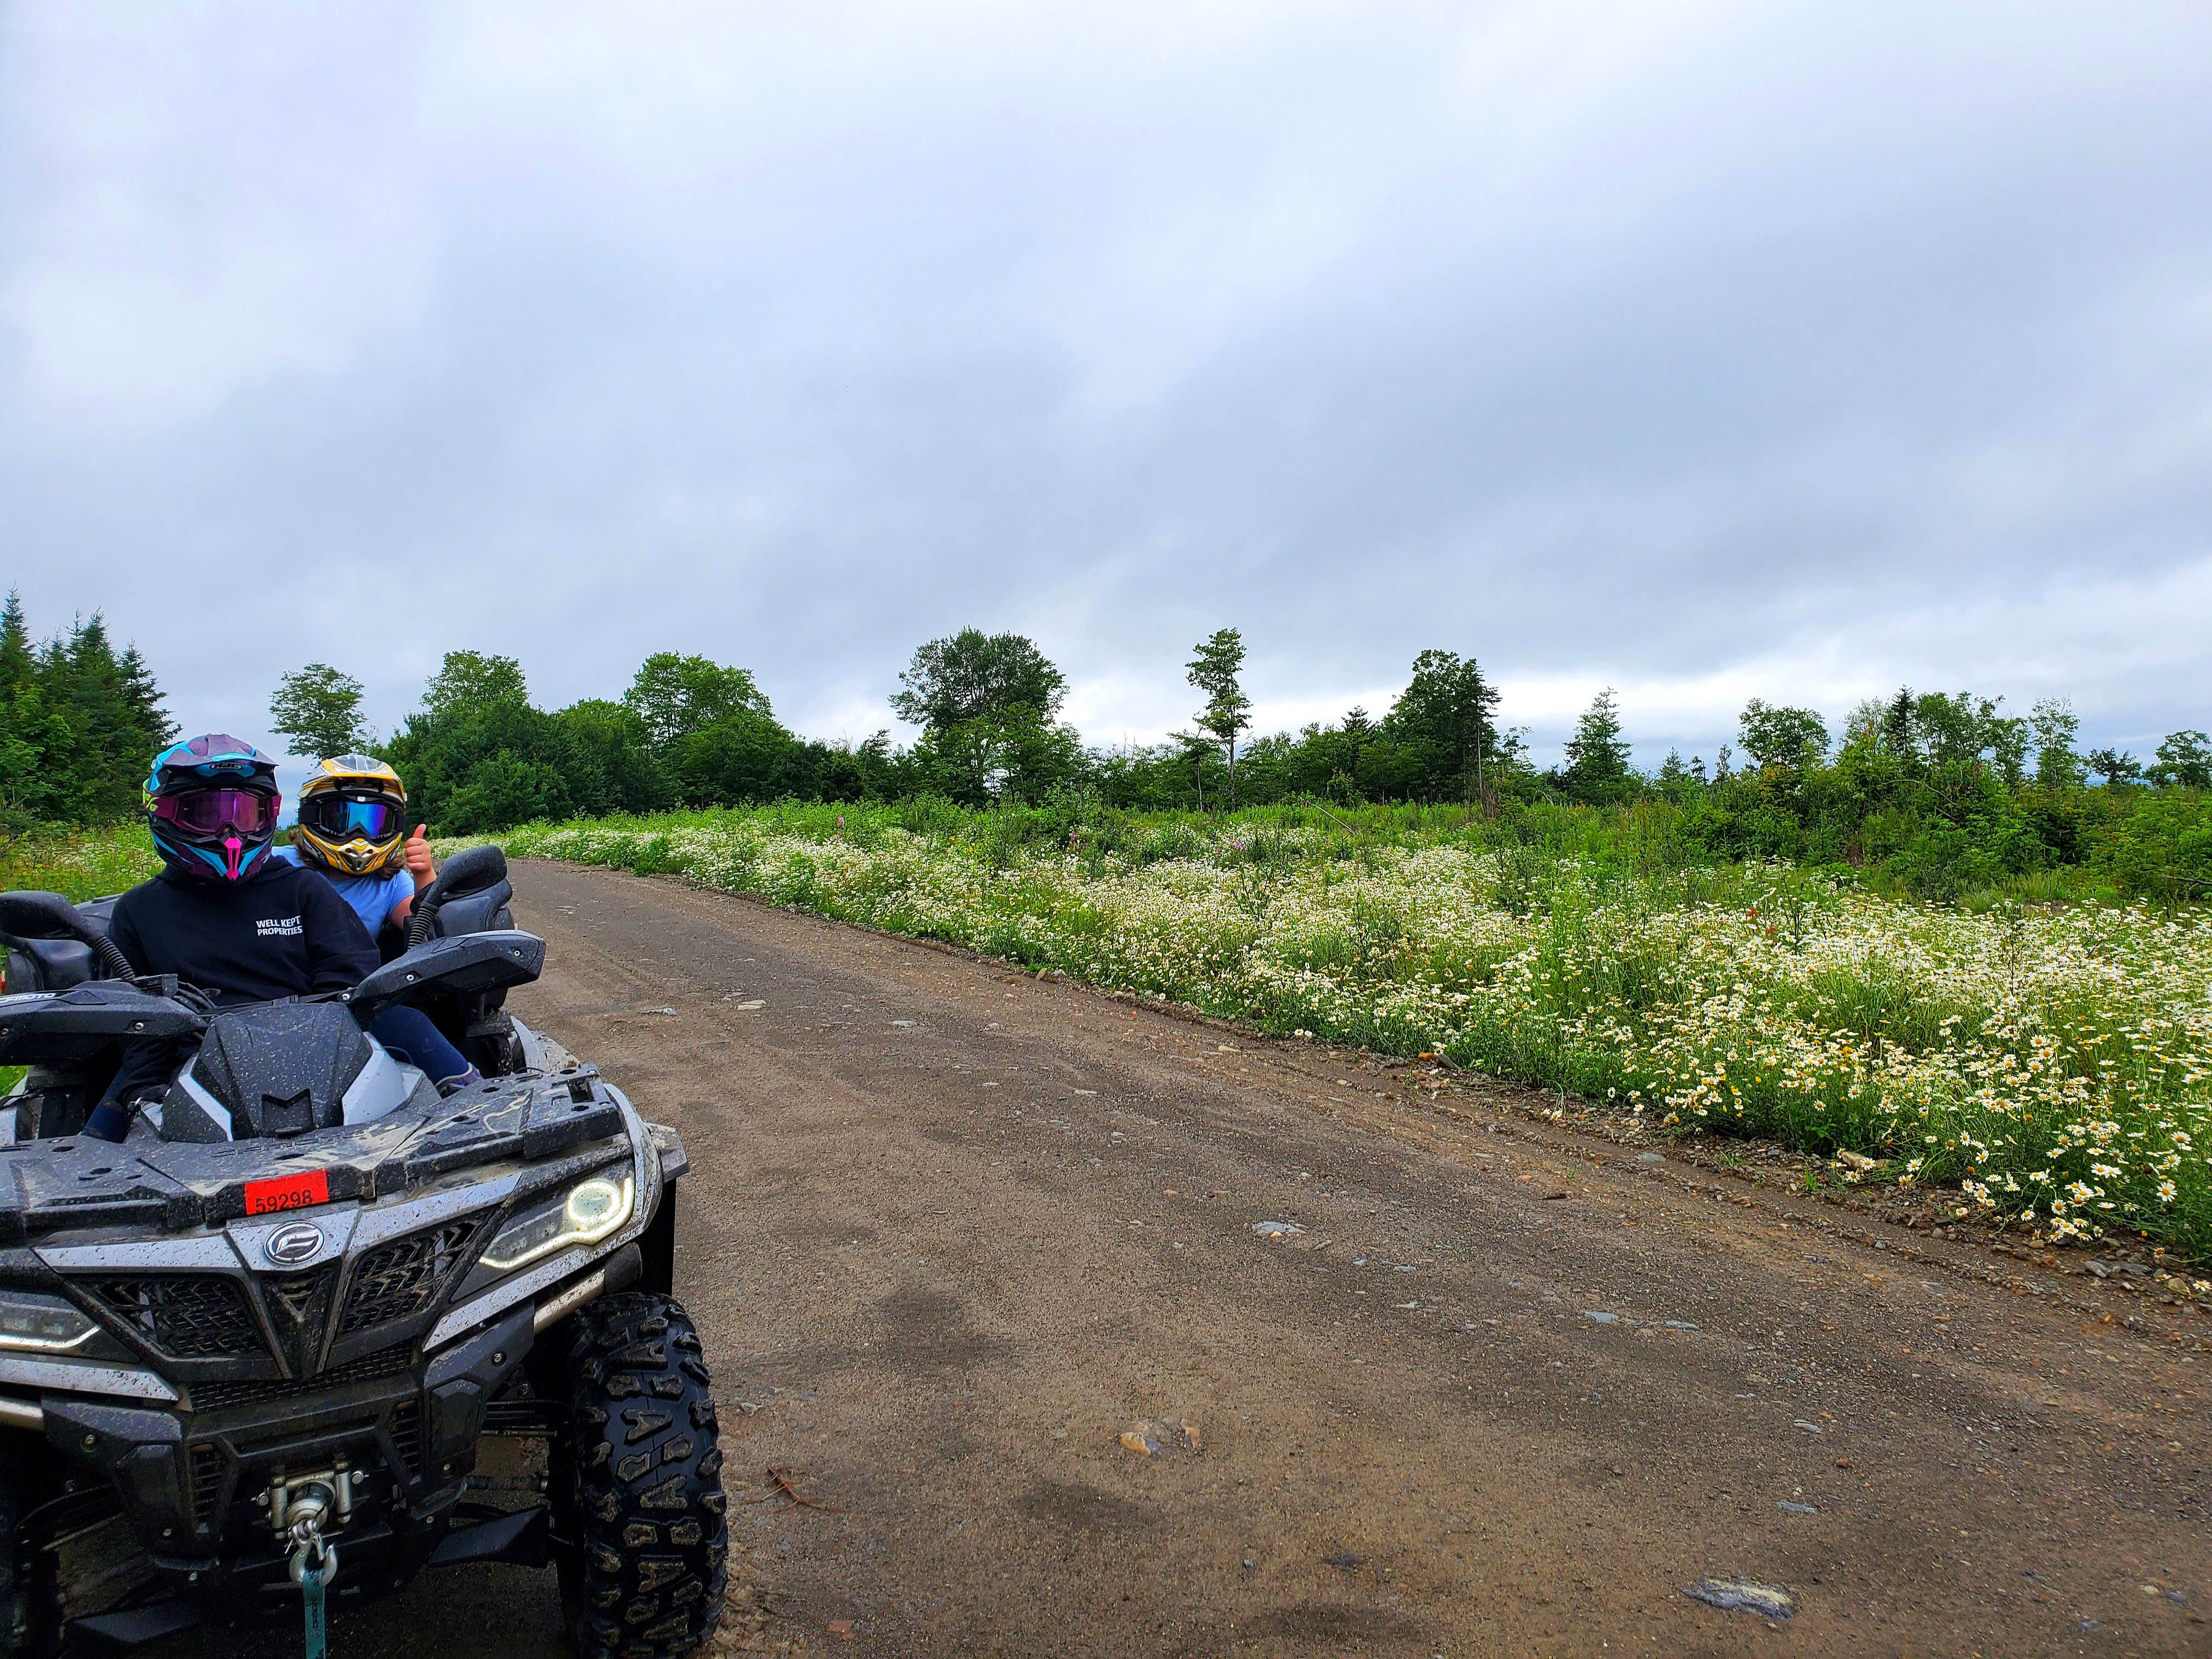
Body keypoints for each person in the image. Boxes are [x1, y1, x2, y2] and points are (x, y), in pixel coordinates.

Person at [86, 735, 479, 1142]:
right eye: (206, 813)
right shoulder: (139, 910)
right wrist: (139, 1099)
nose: (230, 831)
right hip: (195, 1066)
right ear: (164, 814)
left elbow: (356, 983)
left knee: (400, 1018)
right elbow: (138, 1029)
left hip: (322, 1051)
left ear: (269, 814)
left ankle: (481, 1103)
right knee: (91, 1150)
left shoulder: (302, 888)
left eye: (246, 813)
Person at [275, 754, 433, 949]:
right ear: (313, 817)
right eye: (341, 820)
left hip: (351, 977)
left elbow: (426, 929)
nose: (358, 836)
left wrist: (424, 874)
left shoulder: (389, 881)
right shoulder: (280, 865)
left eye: (373, 822)